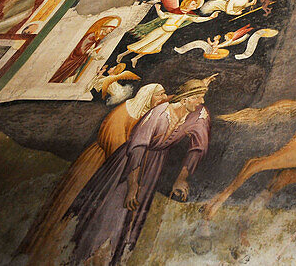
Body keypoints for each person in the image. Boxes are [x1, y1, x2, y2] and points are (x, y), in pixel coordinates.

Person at [67, 76, 214, 266]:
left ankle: (112, 258)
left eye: (203, 97)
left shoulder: (200, 115)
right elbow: (137, 146)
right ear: (186, 98)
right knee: (115, 204)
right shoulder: (160, 112)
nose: (201, 101)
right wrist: (133, 184)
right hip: (129, 163)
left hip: (154, 165)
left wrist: (181, 178)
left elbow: (198, 148)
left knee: (133, 212)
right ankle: (84, 255)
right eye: (198, 97)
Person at [17, 83, 167, 264]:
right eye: (160, 95)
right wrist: (131, 169)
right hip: (99, 165)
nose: (163, 98)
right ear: (147, 95)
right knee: (69, 208)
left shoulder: (146, 115)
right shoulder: (124, 113)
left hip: (119, 170)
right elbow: (115, 147)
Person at [49, 15, 121, 84]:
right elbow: (81, 49)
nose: (110, 31)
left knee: (70, 74)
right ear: (105, 27)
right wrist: (92, 53)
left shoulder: (98, 38)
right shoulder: (92, 35)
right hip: (73, 59)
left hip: (79, 61)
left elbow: (90, 49)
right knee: (63, 73)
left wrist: (94, 54)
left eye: (112, 30)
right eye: (111, 29)